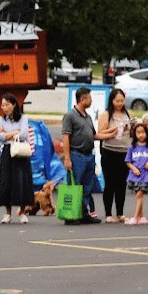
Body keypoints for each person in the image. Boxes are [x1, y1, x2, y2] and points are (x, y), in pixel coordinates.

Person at [59, 87, 102, 224]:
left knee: (87, 186)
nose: (91, 101)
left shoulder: (87, 117)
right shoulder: (70, 116)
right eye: (89, 98)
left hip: (89, 155)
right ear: (82, 99)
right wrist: (67, 158)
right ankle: (70, 215)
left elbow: (94, 135)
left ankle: (83, 213)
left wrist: (111, 133)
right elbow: (66, 136)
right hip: (76, 155)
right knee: (74, 185)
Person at [0, 93, 35, 224]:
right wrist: (12, 133)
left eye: (7, 105)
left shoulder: (23, 118)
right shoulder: (0, 119)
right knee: (6, 181)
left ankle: (22, 211)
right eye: (3, 105)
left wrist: (7, 133)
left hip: (20, 151)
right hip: (7, 151)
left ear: (14, 105)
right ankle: (7, 213)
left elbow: (23, 134)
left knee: (22, 181)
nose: (4, 108)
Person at [96, 88, 133, 222]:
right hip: (109, 151)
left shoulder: (126, 114)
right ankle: (108, 214)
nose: (119, 103)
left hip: (124, 151)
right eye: (117, 101)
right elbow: (100, 133)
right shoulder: (106, 115)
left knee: (121, 183)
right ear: (111, 101)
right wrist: (114, 130)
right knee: (110, 183)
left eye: (122, 101)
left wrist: (130, 127)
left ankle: (120, 213)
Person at [125, 122, 148, 225]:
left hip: (146, 175)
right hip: (135, 175)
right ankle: (141, 216)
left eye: (143, 132)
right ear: (135, 134)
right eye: (138, 132)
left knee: (140, 194)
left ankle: (135, 217)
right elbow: (128, 161)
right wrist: (133, 168)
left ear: (147, 133)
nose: (141, 135)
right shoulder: (132, 147)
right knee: (138, 195)